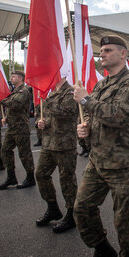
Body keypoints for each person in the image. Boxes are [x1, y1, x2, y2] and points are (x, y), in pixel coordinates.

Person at [73, 35, 129, 257]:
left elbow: (119, 116)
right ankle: (103, 250)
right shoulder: (101, 85)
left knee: (124, 220)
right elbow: (96, 118)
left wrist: (86, 99)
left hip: (124, 165)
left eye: (107, 50)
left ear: (123, 54)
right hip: (97, 161)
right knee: (82, 209)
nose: (101, 54)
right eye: (100, 51)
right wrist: (84, 129)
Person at [35, 76, 79, 233]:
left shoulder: (71, 91)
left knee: (67, 180)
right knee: (40, 174)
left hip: (65, 145)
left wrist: (46, 101)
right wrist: (42, 122)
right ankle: (52, 207)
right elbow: (48, 116)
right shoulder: (52, 93)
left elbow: (66, 112)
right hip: (49, 143)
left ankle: (71, 215)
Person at [0, 70, 35, 190]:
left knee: (24, 154)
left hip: (21, 128)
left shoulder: (24, 91)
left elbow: (15, 105)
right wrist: (7, 118)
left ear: (20, 78)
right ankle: (11, 177)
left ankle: (30, 177)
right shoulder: (14, 91)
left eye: (13, 77)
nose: (11, 78)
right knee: (5, 150)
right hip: (12, 127)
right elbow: (11, 108)